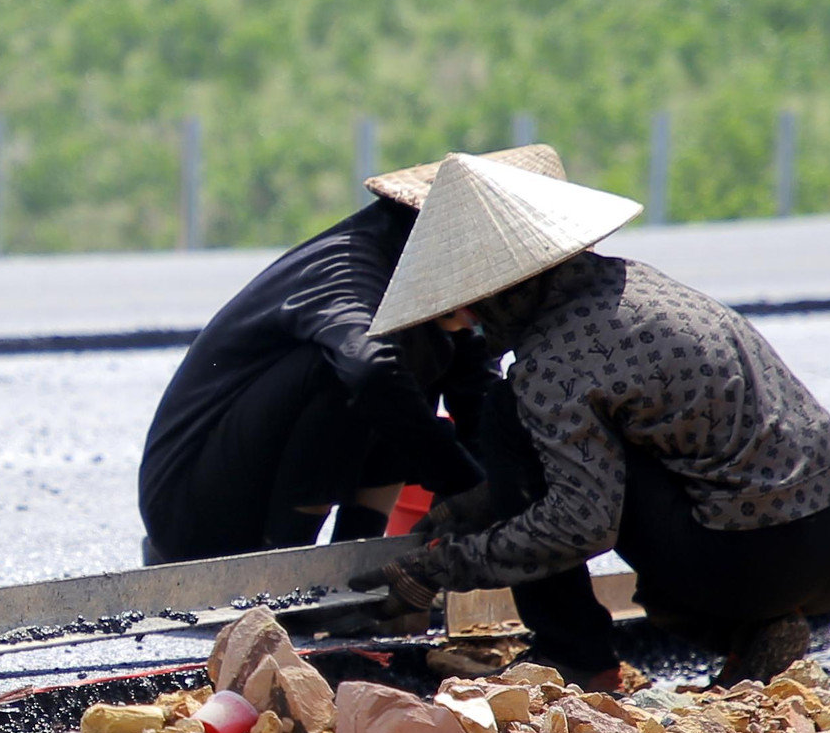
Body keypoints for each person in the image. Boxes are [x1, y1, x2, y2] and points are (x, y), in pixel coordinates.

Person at [350, 154, 830, 688]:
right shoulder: (638, 285)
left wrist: (441, 569)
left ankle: (574, 654)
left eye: (467, 309)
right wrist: (476, 508)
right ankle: (751, 639)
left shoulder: (554, 360)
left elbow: (579, 522)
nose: (467, 327)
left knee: (509, 416)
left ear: (496, 293)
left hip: (759, 559)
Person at [136, 145, 567, 566]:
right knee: (367, 377)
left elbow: (479, 404)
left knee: (412, 396)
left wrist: (491, 498)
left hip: (266, 474)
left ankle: (359, 564)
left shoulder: (441, 310)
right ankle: (286, 570)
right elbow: (370, 373)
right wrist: (461, 480)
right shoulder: (349, 264)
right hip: (193, 512)